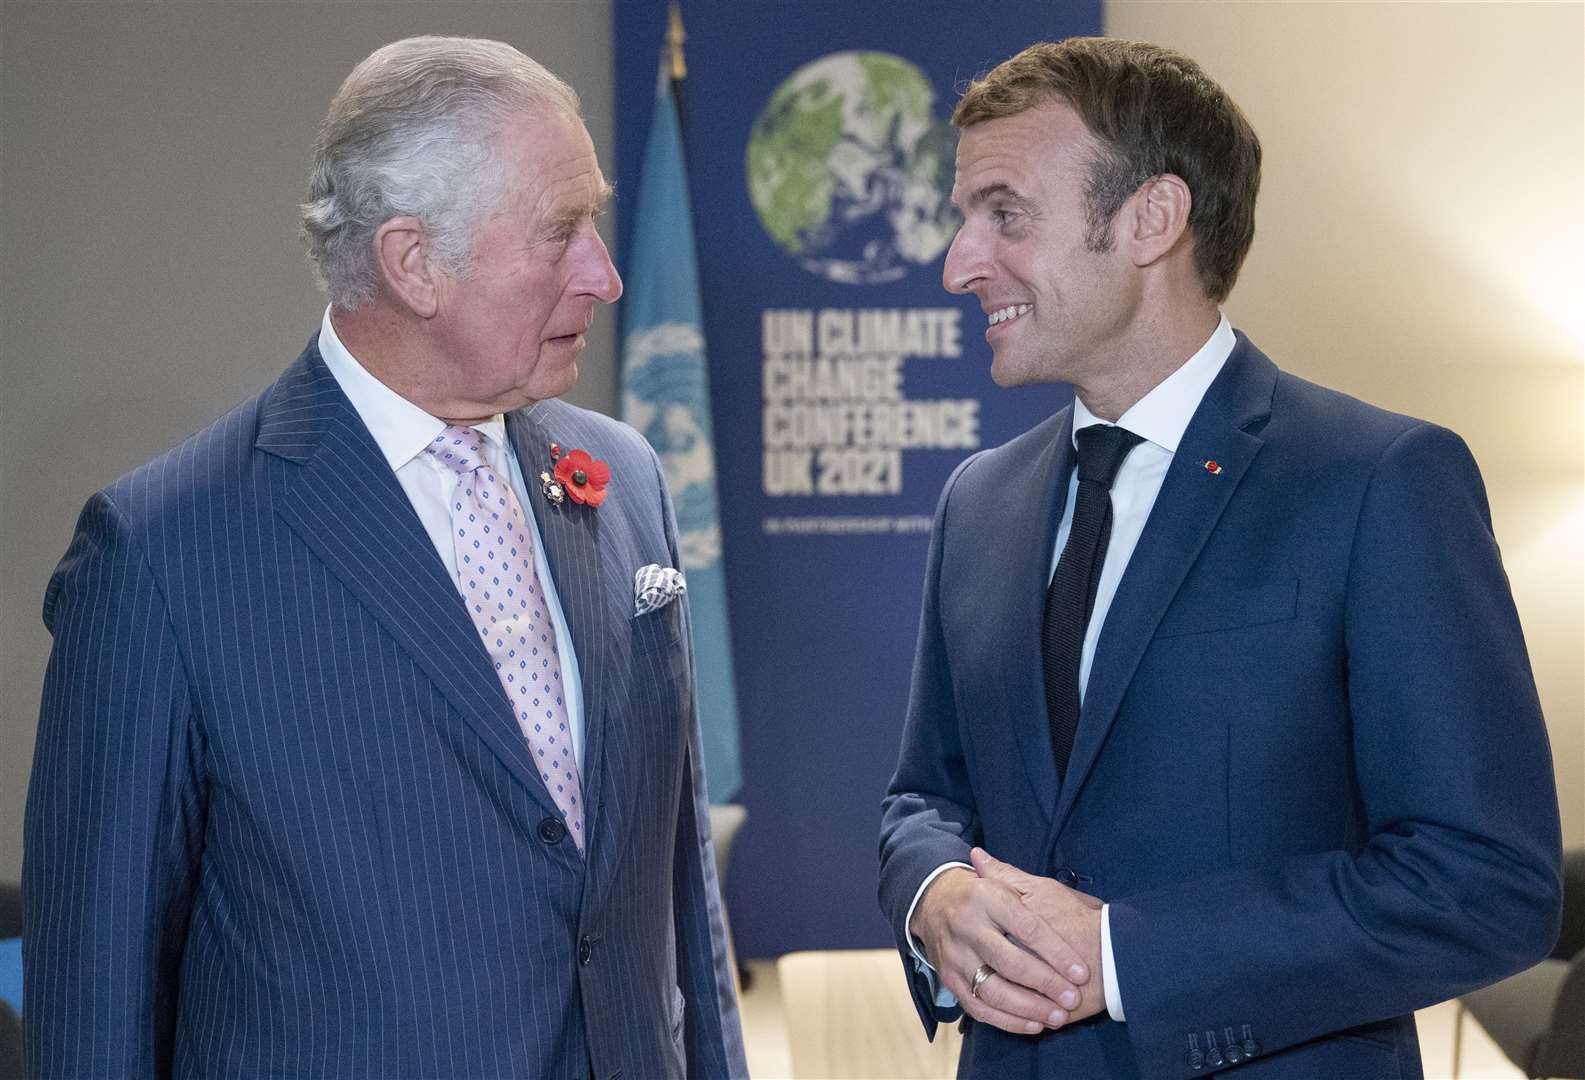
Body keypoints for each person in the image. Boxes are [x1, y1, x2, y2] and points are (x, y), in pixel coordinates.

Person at [24, 36, 746, 1079]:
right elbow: (96, 1007)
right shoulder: (163, 555)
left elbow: (679, 899)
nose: (606, 272)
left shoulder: (624, 478)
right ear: (414, 263)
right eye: (561, 230)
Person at [878, 37, 1561, 1079]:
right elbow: (924, 794)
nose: (958, 261)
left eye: (1004, 213)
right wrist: (937, 894)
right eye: (966, 215)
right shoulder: (979, 500)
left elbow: (1483, 885)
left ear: (1152, 219)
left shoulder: (1379, 482)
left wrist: (1124, 958)